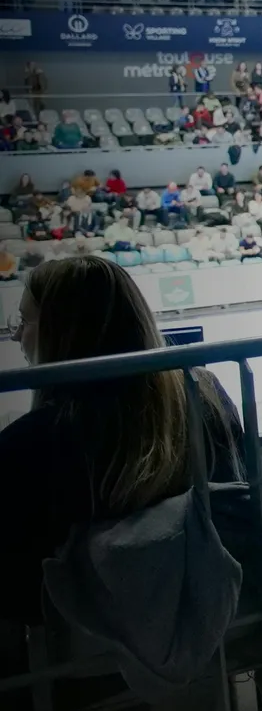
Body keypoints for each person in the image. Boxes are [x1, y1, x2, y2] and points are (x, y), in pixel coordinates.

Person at [0, 255, 245, 624]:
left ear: (62, 331)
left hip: (86, 645)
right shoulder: (205, 395)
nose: (17, 334)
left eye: (24, 321)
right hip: (221, 616)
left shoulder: (30, 442)